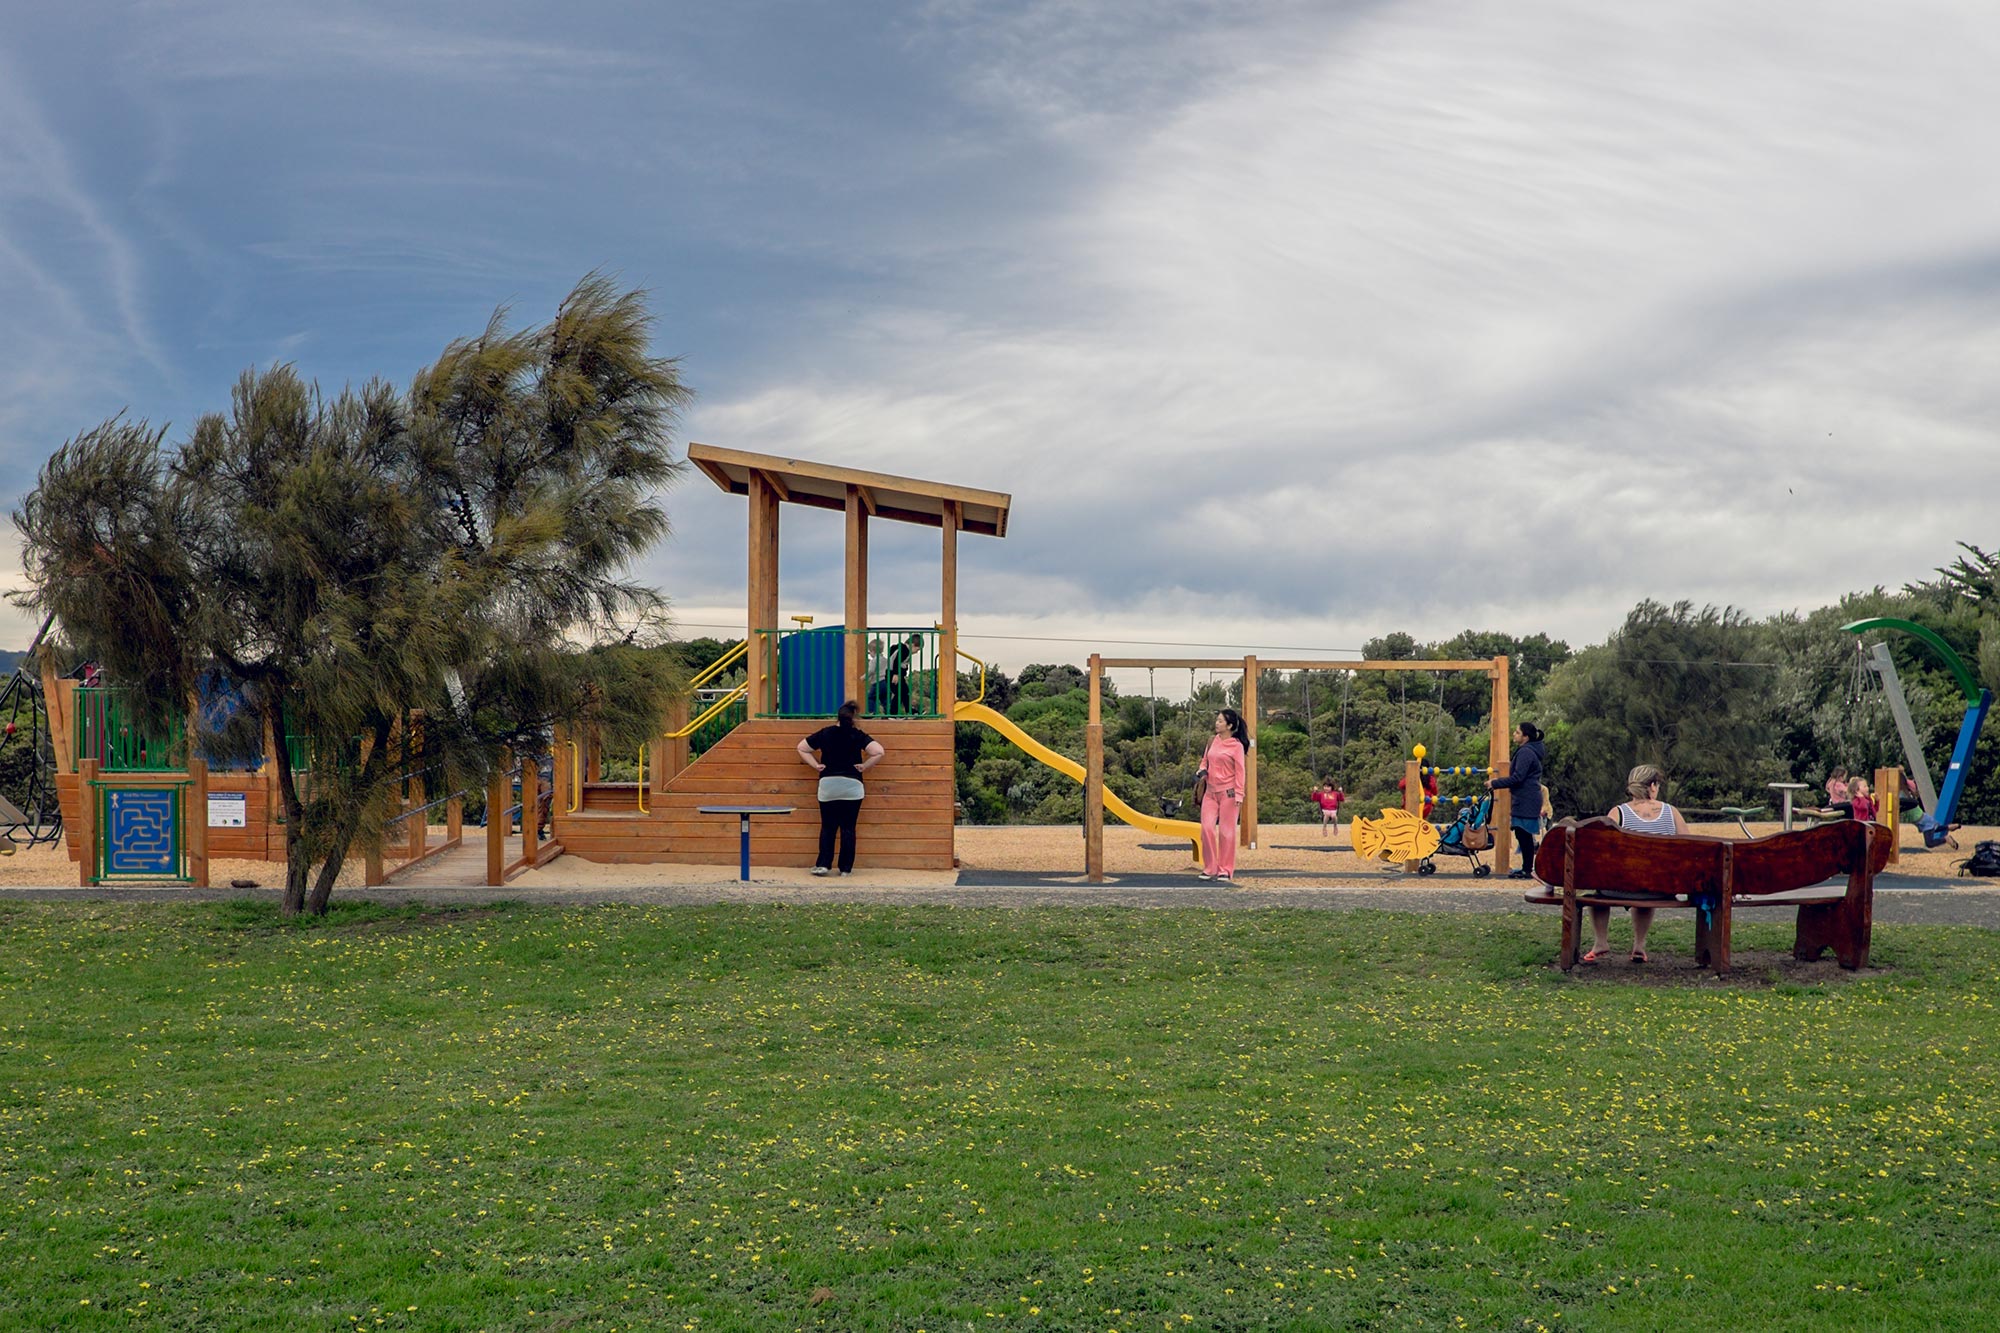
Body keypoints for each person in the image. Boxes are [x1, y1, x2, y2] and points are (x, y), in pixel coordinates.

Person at [1584, 763, 1692, 964]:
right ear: (1652, 786)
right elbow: (1690, 849)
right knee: (1648, 880)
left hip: (1617, 889)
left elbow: (1602, 854)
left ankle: (1600, 942)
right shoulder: (1672, 812)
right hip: (1660, 889)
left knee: (1597, 890)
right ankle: (1639, 945)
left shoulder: (1617, 813)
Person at [797, 701, 884, 875]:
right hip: (853, 786)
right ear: (854, 718)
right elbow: (879, 751)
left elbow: (801, 747)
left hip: (829, 785)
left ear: (838, 716)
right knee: (848, 828)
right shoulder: (857, 735)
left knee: (828, 827)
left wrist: (816, 765)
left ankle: (823, 865)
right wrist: (865, 766)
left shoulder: (825, 733)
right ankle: (845, 869)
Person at [1485, 722, 1547, 879]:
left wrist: (1495, 783)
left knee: (1524, 834)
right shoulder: (1529, 751)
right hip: (1526, 797)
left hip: (1527, 798)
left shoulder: (1526, 753)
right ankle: (1527, 868)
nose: (1514, 734)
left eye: (1518, 732)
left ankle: (1527, 869)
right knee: (1522, 834)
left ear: (1525, 737)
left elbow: (1518, 777)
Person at [1196, 709, 1249, 882]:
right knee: (1207, 828)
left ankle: (1225, 869)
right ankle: (1210, 867)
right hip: (1210, 792)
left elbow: (1241, 772)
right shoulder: (1212, 741)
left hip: (1229, 793)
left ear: (1230, 725)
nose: (1216, 723)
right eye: (1217, 720)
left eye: (1220, 721)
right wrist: (1202, 771)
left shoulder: (1237, 746)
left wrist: (1239, 795)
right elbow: (1205, 761)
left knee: (1227, 833)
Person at [884, 634, 923, 716]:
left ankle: (910, 711)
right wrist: (895, 674)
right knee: (900, 693)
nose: (917, 652)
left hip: (896, 674)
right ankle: (893, 713)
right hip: (893, 674)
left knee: (904, 692)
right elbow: (896, 661)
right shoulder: (904, 650)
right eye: (917, 649)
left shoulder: (902, 649)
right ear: (912, 645)